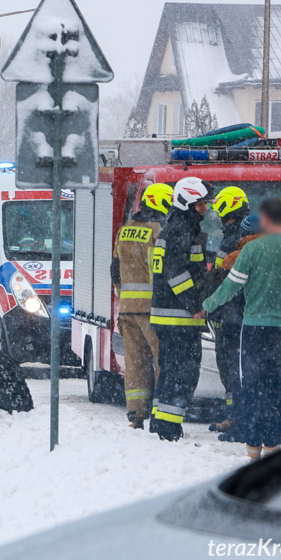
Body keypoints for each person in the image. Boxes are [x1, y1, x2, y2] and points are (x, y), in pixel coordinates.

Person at [204, 197, 281, 460]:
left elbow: (231, 286)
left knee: (253, 385)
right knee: (278, 386)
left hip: (255, 329)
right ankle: (273, 443)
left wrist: (208, 303)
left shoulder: (252, 250)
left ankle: (253, 449)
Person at [149, 177, 213, 441]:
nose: (205, 209)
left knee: (171, 370)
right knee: (182, 372)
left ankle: (160, 421)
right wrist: (195, 305)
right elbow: (176, 274)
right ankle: (169, 427)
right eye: (201, 204)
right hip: (179, 317)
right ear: (187, 202)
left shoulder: (178, 228)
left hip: (171, 316)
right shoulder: (180, 231)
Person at [110, 182, 172, 429]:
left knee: (135, 364)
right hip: (152, 309)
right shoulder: (159, 230)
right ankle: (161, 411)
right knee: (162, 362)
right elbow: (161, 269)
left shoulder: (125, 229)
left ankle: (136, 414)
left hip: (127, 309)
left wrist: (122, 294)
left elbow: (115, 269)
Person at [208, 187, 250, 436]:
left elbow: (221, 278)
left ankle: (235, 417)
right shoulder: (251, 233)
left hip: (231, 314)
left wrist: (210, 303)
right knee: (243, 368)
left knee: (231, 368)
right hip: (246, 313)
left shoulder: (230, 239)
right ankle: (238, 415)